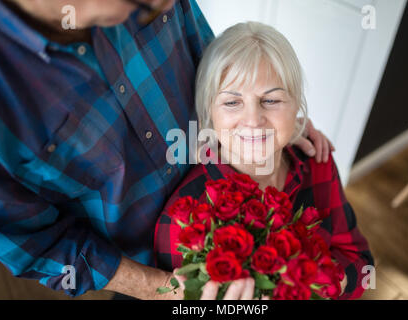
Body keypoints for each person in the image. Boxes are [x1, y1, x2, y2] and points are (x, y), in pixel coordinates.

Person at [0, 0, 334, 300]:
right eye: (144, 7)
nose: (166, 4)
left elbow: (219, 72)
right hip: (151, 275)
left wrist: (275, 120)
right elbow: (33, 243)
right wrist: (156, 290)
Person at [154, 21, 374, 300]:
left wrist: (328, 282)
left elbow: (359, 258)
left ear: (297, 106)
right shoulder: (184, 219)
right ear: (209, 114)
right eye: (232, 102)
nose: (253, 120)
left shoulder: (317, 163)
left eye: (271, 100)